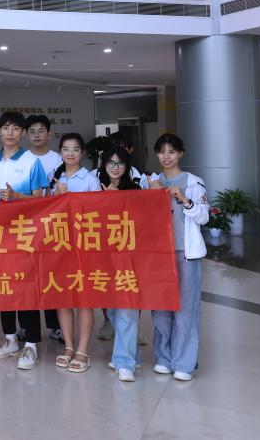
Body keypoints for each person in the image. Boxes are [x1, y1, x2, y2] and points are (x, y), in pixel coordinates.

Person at [0, 111, 49, 370]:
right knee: (3, 284)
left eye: (16, 128)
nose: (10, 132)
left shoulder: (32, 161)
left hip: (25, 234)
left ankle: (31, 344)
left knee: (26, 286)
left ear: (23, 133)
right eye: (6, 127)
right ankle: (9, 339)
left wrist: (17, 197)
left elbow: (41, 199)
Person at [148, 133, 208, 382]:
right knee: (161, 309)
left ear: (181, 154)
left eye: (172, 151)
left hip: (186, 254)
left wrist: (184, 200)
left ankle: (184, 363)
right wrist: (151, 195)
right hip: (159, 254)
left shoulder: (194, 183)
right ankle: (164, 358)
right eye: (162, 151)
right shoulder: (151, 182)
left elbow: (204, 216)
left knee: (186, 308)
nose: (166, 156)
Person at [48, 133, 102, 374]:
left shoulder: (90, 180)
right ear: (60, 152)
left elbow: (97, 213)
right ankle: (68, 346)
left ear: (82, 153)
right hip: (59, 245)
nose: (70, 153)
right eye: (66, 149)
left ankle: (82, 350)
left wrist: (68, 198)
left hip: (83, 246)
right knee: (63, 298)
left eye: (75, 149)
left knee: (84, 299)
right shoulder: (54, 178)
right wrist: (57, 197)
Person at [96, 146, 142, 382]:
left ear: (127, 166)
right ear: (104, 165)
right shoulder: (96, 188)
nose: (115, 167)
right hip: (103, 257)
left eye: (120, 163)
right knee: (112, 309)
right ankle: (129, 355)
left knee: (127, 307)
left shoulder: (135, 190)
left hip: (128, 257)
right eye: (111, 163)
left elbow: (141, 221)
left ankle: (125, 363)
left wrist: (116, 200)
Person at [25, 114, 64, 343]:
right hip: (27, 226)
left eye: (41, 130)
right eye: (32, 131)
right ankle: (26, 327)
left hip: (53, 225)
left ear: (49, 134)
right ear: (26, 135)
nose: (36, 135)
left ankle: (55, 325)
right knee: (28, 277)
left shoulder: (59, 159)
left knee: (52, 276)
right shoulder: (23, 159)